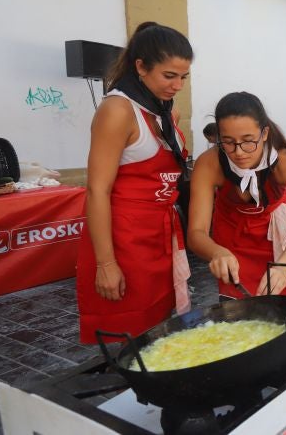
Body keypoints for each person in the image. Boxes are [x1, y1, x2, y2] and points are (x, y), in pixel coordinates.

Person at [76, 22, 193, 343]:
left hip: (159, 234)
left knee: (160, 328)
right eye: (169, 76)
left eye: (183, 77)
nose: (177, 85)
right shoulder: (117, 110)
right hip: (123, 239)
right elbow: (97, 190)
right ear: (140, 66)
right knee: (127, 336)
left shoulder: (166, 111)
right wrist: (106, 264)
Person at [187, 92, 286, 299]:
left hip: (277, 243)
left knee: (282, 307)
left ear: (264, 133)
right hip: (230, 243)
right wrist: (216, 252)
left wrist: (283, 266)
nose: (239, 152)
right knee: (235, 312)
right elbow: (195, 233)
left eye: (248, 141)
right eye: (228, 142)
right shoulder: (208, 164)